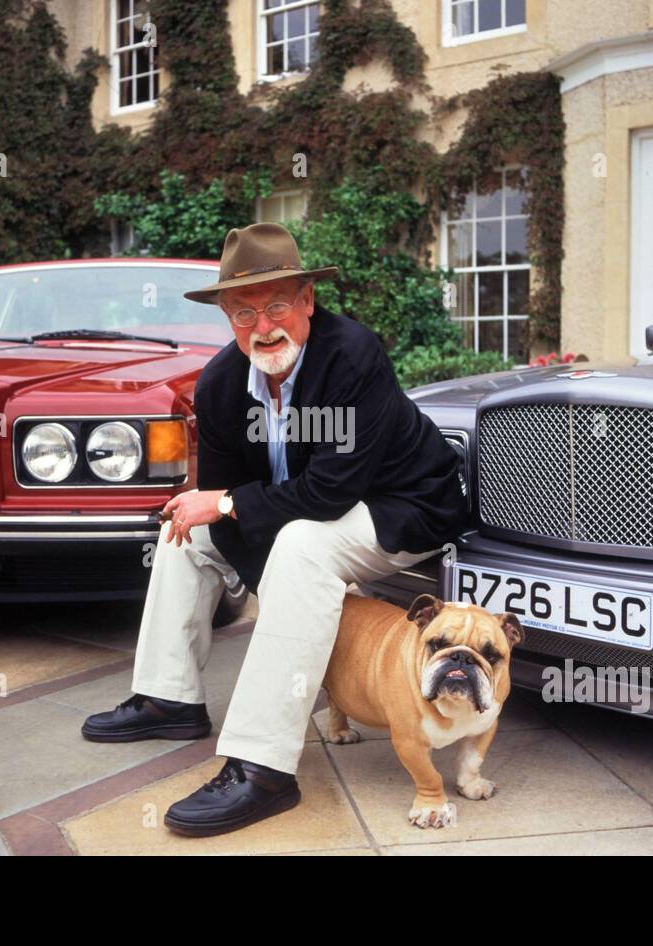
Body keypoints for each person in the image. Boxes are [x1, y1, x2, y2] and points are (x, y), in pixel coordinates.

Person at [82, 222, 469, 836]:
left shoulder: (352, 356)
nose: (263, 327)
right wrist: (232, 533)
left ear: (308, 301)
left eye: (278, 305)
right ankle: (168, 697)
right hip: (309, 519)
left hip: (406, 507)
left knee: (293, 543)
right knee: (184, 533)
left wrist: (231, 510)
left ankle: (263, 768)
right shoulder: (218, 386)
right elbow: (225, 505)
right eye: (243, 313)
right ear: (227, 320)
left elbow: (330, 492)